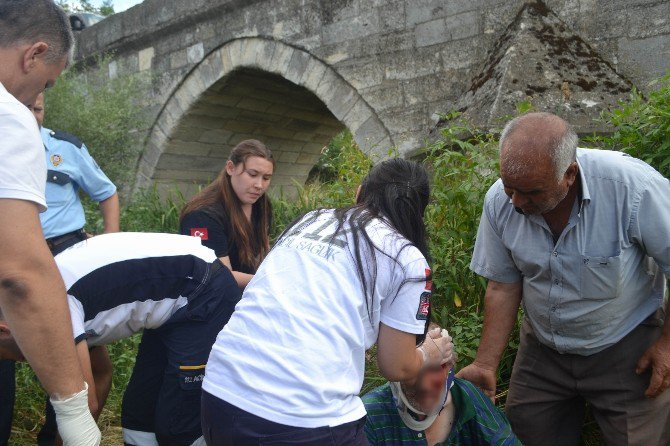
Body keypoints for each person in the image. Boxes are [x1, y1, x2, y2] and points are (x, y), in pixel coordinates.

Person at [201, 158, 455, 445]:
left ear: (359, 194)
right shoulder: (406, 257)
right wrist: (429, 353)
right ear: (418, 212)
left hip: (220, 393)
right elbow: (397, 366)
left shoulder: (310, 220)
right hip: (302, 417)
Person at [458, 112, 670, 445]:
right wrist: (485, 363)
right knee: (523, 436)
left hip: (626, 347)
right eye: (509, 188)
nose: (516, 202)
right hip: (543, 350)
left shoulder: (632, 189)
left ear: (569, 174)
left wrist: (668, 346)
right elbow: (502, 286)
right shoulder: (500, 200)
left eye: (530, 193)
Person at [0, 232, 242, 446]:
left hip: (204, 290)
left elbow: (83, 408)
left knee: (177, 425)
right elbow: (100, 373)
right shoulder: (33, 302)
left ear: (3, 330)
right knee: (138, 418)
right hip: (170, 298)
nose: (25, 361)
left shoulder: (51, 310)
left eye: (10, 357)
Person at [0, 1, 100, 445]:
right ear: (34, 55)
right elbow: (20, 274)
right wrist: (77, 415)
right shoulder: (9, 117)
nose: (38, 100)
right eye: (46, 82)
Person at [25, 90, 121, 446]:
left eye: (38, 108)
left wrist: (109, 245)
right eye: (25, 108)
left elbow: (106, 192)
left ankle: (58, 438)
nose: (33, 115)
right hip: (22, 261)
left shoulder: (64, 147)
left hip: (70, 258)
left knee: (95, 370)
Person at [363, 326, 520, 446]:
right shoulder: (369, 415)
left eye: (439, 367)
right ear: (398, 372)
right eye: (419, 368)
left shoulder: (466, 397)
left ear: (450, 368)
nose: (428, 383)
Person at [180, 139, 274, 289]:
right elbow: (219, 276)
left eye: (266, 178)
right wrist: (271, 281)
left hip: (251, 293)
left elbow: (261, 256)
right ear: (231, 168)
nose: (259, 185)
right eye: (252, 174)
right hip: (209, 302)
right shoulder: (202, 215)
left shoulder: (262, 204)